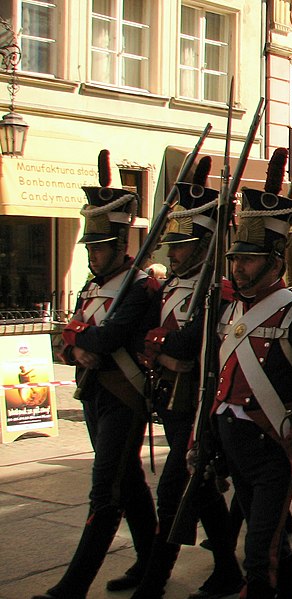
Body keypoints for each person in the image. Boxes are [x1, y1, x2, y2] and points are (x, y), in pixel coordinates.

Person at [213, 152, 292, 598]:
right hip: (233, 442)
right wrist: (202, 443)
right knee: (275, 549)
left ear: (273, 260)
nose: (238, 267)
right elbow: (221, 385)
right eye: (235, 259)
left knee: (258, 556)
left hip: (273, 447)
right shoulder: (233, 309)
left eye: (248, 260)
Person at [35, 151, 159, 599]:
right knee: (128, 484)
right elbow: (67, 336)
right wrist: (75, 344)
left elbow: (110, 339)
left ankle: (74, 584)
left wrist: (82, 341)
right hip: (94, 395)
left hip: (124, 396)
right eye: (90, 248)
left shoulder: (142, 285)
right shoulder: (92, 286)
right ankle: (150, 563)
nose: (94, 255)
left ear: (120, 245)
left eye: (101, 248)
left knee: (104, 489)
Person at [135, 159, 243, 599]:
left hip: (200, 402)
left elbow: (189, 349)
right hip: (171, 400)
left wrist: (168, 351)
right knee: (200, 491)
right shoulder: (172, 286)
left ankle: (154, 582)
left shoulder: (217, 289)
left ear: (204, 245)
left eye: (181, 246)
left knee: (173, 490)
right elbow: (155, 342)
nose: (172, 253)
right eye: (173, 245)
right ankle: (227, 571)